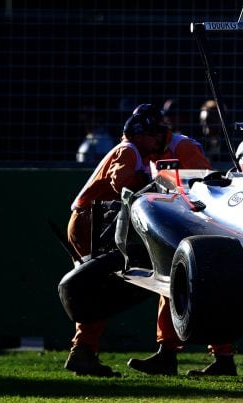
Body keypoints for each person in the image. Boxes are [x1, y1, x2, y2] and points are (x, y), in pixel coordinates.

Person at [126, 105, 238, 377]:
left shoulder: (183, 147)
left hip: (198, 227)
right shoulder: (153, 152)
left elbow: (205, 187)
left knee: (211, 290)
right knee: (168, 285)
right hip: (174, 227)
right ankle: (168, 354)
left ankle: (221, 359)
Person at [64, 103, 167, 377]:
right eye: (154, 133)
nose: (159, 138)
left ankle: (84, 352)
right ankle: (83, 351)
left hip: (95, 221)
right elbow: (119, 184)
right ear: (140, 131)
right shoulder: (129, 150)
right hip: (90, 222)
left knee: (97, 290)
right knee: (94, 289)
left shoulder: (136, 153)